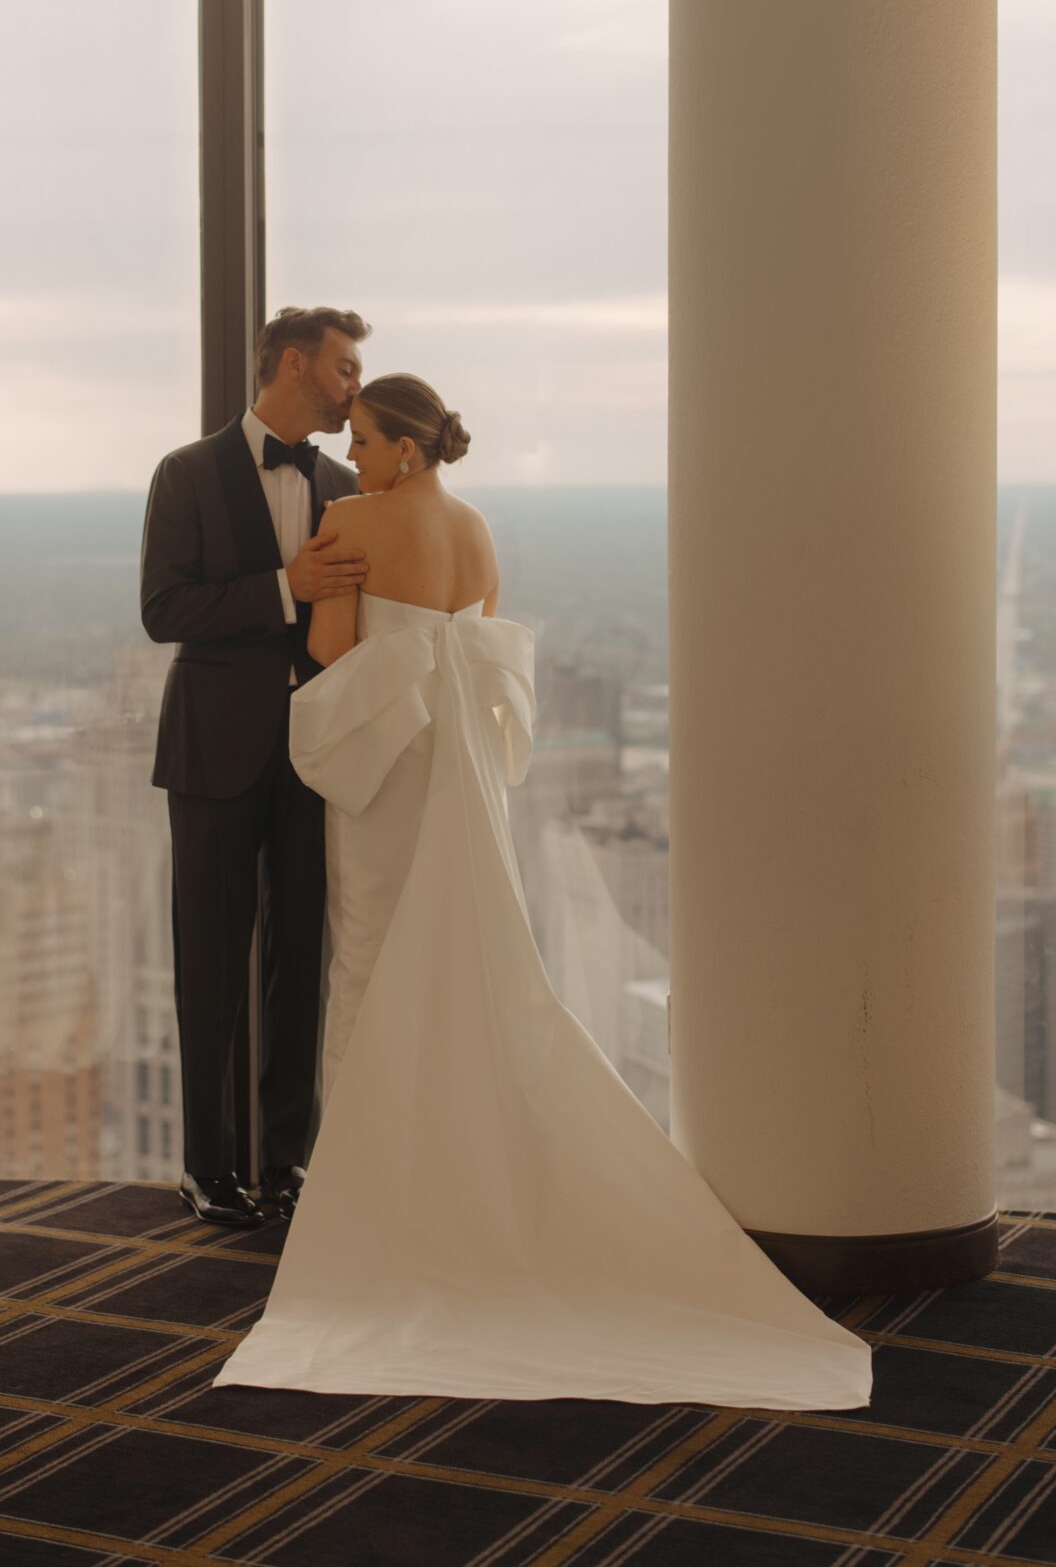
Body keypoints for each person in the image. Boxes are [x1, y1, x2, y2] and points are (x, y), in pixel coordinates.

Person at [214, 374, 873, 1408]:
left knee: (370, 958)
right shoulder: (477, 530)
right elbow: (477, 641)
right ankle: (471, 1183)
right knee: (472, 956)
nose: (354, 452)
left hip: (388, 770)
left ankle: (380, 1202)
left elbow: (335, 651)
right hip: (462, 768)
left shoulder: (348, 521)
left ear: (409, 451)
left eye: (369, 438)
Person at [140, 306, 370, 1227]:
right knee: (210, 962)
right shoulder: (186, 473)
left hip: (315, 754)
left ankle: (285, 1165)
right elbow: (163, 609)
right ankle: (208, 1168)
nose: (355, 385)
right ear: (290, 363)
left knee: (300, 961)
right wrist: (287, 590)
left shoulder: (349, 485)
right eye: (345, 367)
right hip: (212, 753)